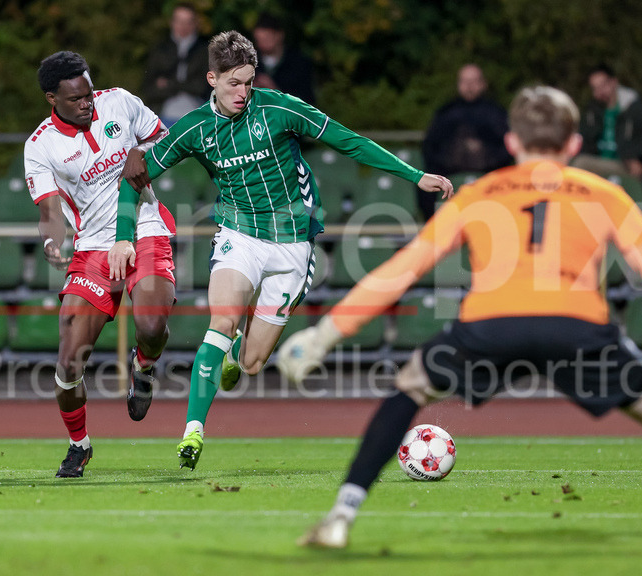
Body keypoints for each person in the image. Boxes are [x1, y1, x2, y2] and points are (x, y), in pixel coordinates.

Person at [278, 86, 642, 554]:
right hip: (578, 328)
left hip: (490, 326)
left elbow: (401, 270)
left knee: (409, 387)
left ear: (511, 142)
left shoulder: (480, 194)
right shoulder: (605, 193)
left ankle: (341, 518)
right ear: (575, 145)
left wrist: (326, 334)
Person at [108, 31, 453, 471]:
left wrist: (414, 175)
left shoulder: (279, 108)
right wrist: (123, 235)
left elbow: (348, 141)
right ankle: (193, 430)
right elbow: (133, 179)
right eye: (233, 82)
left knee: (252, 363)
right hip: (240, 235)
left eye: (249, 82)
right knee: (222, 320)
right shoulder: (195, 127)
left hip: (292, 245)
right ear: (212, 78)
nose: (242, 92)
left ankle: (235, 354)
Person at [24, 51, 177, 478]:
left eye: (89, 93)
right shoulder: (39, 146)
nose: (87, 103)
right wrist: (54, 242)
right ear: (52, 98)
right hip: (92, 248)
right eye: (75, 99)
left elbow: (165, 140)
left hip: (145, 229)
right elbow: (50, 212)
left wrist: (143, 154)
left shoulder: (121, 102)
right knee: (69, 362)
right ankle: (79, 445)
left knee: (151, 328)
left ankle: (143, 368)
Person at [419, 63, 511, 220]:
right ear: (458, 84)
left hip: (491, 174)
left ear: (483, 84)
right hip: (448, 172)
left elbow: (507, 148)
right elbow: (430, 147)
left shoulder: (496, 113)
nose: (469, 86)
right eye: (464, 81)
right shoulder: (446, 113)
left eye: (474, 81)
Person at [575, 64, 642, 201]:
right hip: (600, 162)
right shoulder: (593, 111)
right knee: (573, 163)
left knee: (581, 163)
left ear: (614, 82)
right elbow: (584, 139)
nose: (600, 91)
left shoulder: (633, 108)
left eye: (603, 85)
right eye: (595, 88)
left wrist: (638, 156)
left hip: (624, 164)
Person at [141, 3, 211, 126]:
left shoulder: (204, 51)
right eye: (179, 21)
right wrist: (184, 86)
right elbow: (150, 88)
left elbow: (202, 86)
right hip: (163, 114)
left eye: (188, 22)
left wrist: (169, 84)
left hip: (196, 115)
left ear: (195, 24)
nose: (183, 27)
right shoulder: (160, 50)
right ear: (171, 22)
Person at [251, 12, 316, 104]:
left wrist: (274, 90)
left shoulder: (298, 64)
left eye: (266, 38)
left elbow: (307, 102)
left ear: (279, 35)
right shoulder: (249, 62)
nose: (262, 44)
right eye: (259, 40)